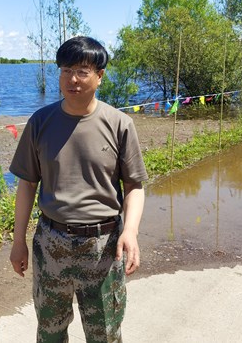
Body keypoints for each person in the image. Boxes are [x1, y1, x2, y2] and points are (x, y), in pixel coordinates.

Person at [9, 36, 148, 342]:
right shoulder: (40, 122)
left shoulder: (120, 124)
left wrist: (131, 231)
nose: (72, 79)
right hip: (51, 241)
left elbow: (134, 185)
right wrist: (18, 241)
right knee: (50, 332)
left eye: (82, 71)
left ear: (100, 76)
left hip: (103, 246)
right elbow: (27, 184)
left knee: (105, 334)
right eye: (66, 70)